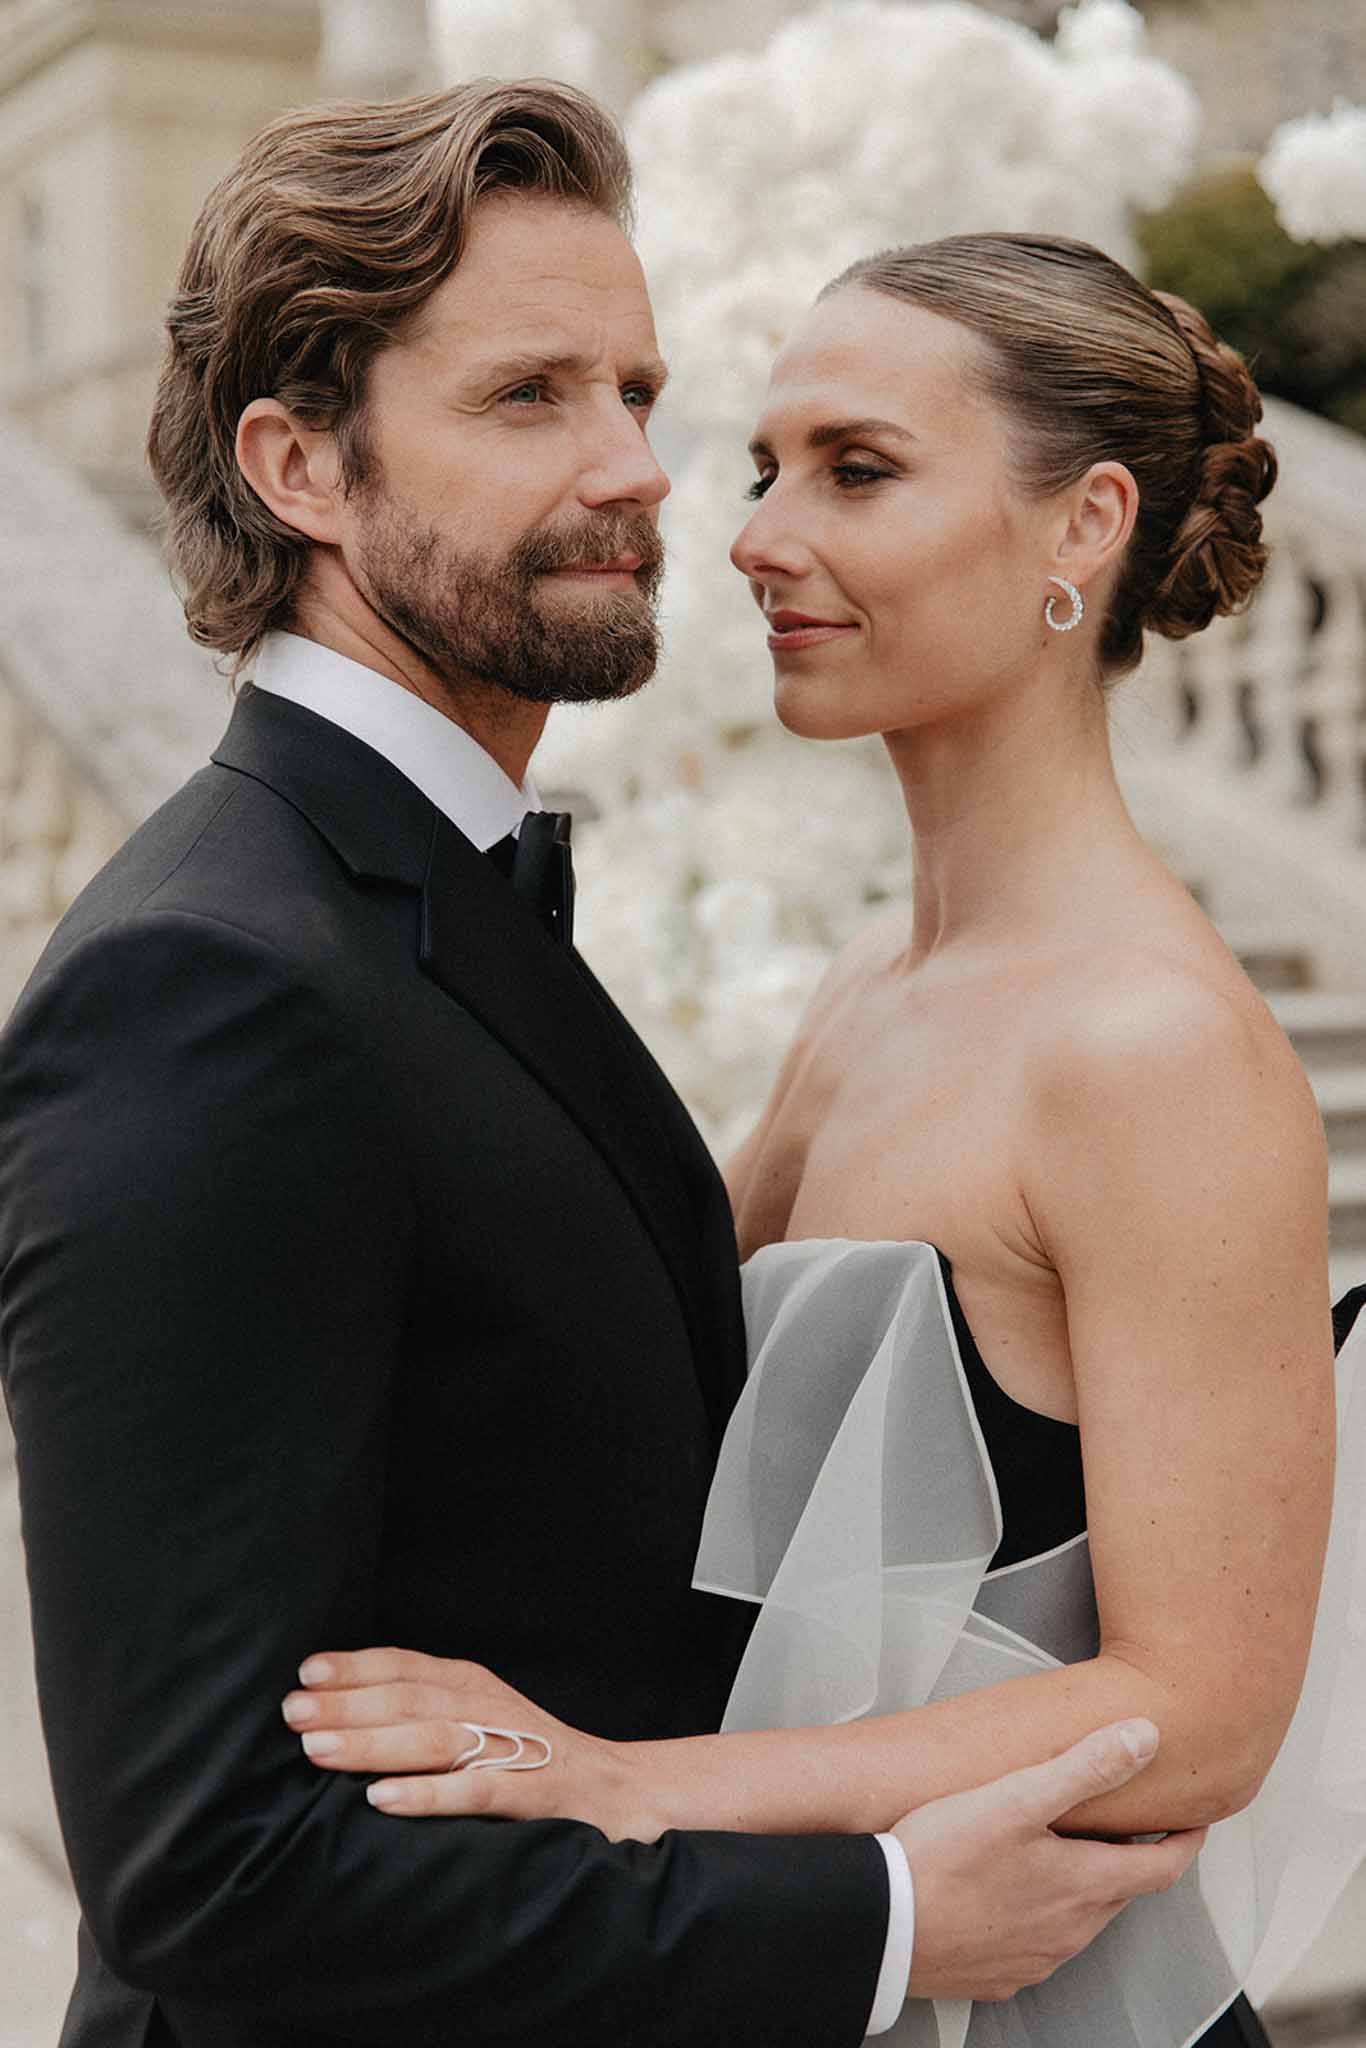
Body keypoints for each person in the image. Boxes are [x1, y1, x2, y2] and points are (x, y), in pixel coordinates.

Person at [0, 89, 1202, 2048]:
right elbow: (202, 1862)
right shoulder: (210, 986)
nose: (639, 472)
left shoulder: (427, 908)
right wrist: (880, 1914)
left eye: (638, 391)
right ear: (300, 466)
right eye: (529, 398)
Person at [281, 235, 1366, 2048]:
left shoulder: (1151, 1049)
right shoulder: (877, 981)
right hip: (820, 1965)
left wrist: (631, 1788)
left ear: (1081, 526)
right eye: (762, 467)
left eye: (855, 470)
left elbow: (1201, 1708)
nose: (755, 534)